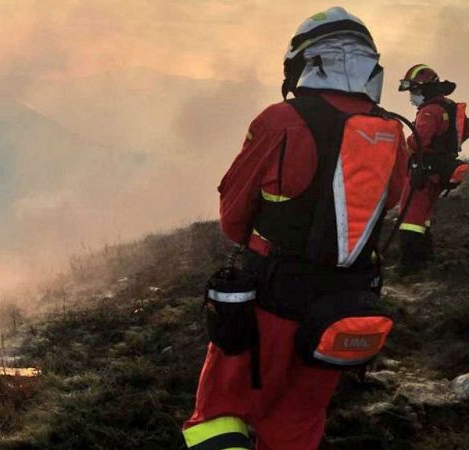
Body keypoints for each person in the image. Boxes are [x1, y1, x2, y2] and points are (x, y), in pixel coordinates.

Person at [181, 7, 408, 450]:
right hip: (341, 309)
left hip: (271, 302)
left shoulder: (282, 121)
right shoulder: (390, 133)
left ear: (305, 62)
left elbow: (233, 218)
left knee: (219, 417)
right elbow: (391, 202)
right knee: (298, 424)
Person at [396, 64, 468, 273]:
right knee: (422, 218)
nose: (411, 97)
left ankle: (410, 264)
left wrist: (402, 143)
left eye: (414, 91)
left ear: (425, 90)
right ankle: (425, 257)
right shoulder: (450, 107)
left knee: (410, 217)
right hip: (439, 170)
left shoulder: (429, 112)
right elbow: (463, 132)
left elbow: (418, 142)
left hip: (424, 171)